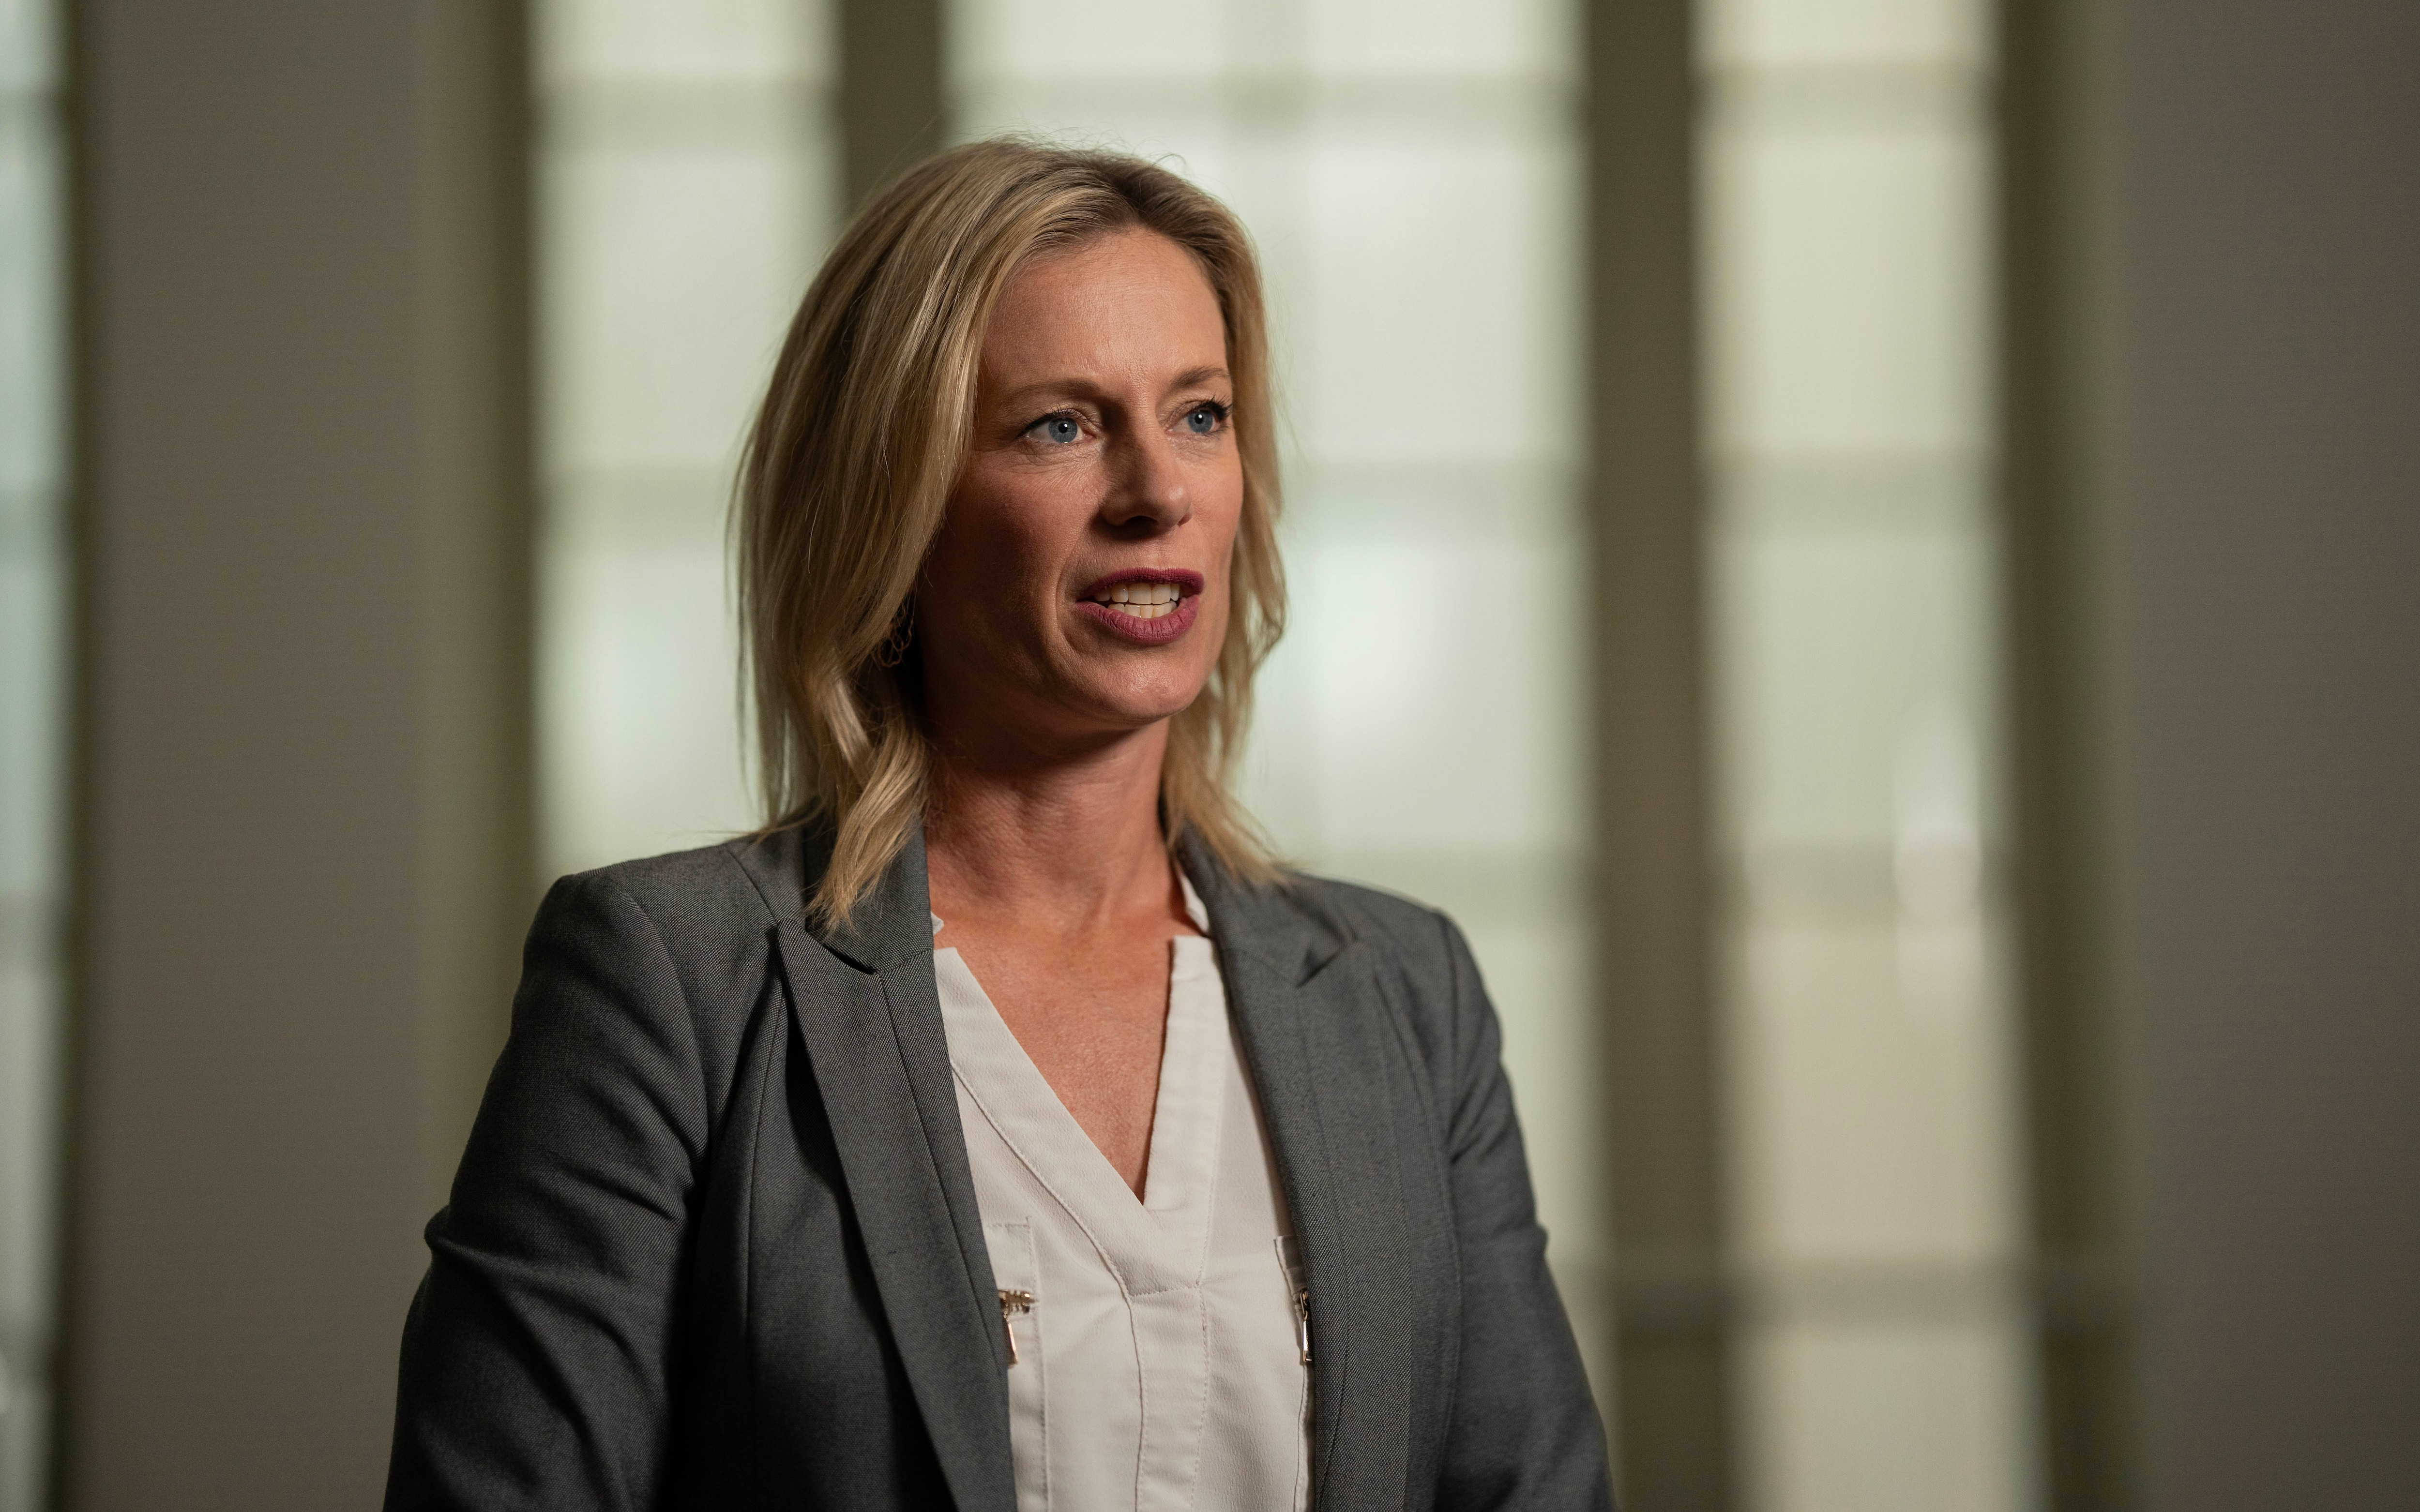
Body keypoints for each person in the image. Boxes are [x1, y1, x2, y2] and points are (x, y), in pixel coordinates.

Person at [384, 138, 1611, 1512]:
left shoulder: (1405, 994)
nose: (1159, 490)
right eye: (1061, 425)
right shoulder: (672, 985)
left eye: (1200, 413)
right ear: (892, 513)